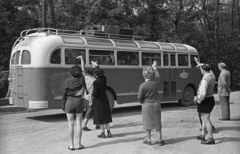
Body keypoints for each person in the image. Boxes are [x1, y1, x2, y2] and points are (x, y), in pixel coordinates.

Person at [138, 61, 165, 146]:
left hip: (147, 104)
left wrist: (142, 101)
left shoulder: (142, 86)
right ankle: (160, 139)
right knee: (158, 122)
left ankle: (149, 140)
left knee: (147, 122)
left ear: (144, 75)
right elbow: (158, 77)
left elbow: (139, 97)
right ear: (151, 75)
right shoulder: (155, 83)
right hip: (156, 104)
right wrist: (155, 68)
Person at [62, 65, 87, 150]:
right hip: (79, 101)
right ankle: (79, 144)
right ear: (80, 73)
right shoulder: (82, 80)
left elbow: (64, 94)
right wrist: (81, 60)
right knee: (79, 123)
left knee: (70, 124)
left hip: (69, 101)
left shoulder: (67, 81)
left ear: (71, 73)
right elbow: (83, 72)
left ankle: (72, 145)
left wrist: (63, 104)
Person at [196, 64, 216, 144]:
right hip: (210, 98)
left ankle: (211, 138)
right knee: (204, 118)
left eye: (201, 70)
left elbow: (203, 94)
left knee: (206, 119)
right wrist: (201, 65)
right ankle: (202, 134)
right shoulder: (212, 76)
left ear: (203, 71)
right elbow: (210, 71)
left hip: (205, 100)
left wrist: (199, 100)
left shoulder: (205, 79)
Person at [91, 63, 113, 138]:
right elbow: (100, 72)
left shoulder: (95, 82)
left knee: (100, 117)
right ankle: (109, 132)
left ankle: (102, 133)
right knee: (106, 116)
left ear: (96, 74)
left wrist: (92, 93)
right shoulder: (104, 79)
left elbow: (95, 93)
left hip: (98, 101)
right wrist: (96, 66)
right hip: (105, 99)